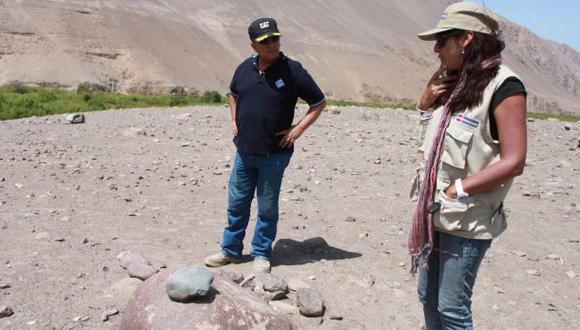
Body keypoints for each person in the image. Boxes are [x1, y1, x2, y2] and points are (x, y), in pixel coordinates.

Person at [408, 2, 527, 329]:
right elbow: (435, 143)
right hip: (434, 214)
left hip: (466, 218)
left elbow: (515, 160)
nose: (435, 49)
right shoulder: (455, 84)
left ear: (466, 39)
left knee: (451, 308)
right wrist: (424, 103)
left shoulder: (505, 88)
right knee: (426, 297)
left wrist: (457, 189)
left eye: (441, 40)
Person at [204, 18, 326, 273]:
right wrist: (234, 120)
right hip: (244, 151)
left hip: (275, 153)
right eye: (265, 41)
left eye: (275, 38)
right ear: (253, 45)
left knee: (267, 206)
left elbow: (318, 102)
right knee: (237, 203)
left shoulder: (293, 70)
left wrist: (298, 129)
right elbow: (232, 93)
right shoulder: (244, 68)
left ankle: (261, 253)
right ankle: (231, 251)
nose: (272, 44)